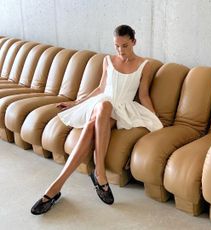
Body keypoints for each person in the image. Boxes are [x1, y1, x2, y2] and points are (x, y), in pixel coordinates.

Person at [31, 25, 163, 215]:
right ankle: (98, 173)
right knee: (103, 105)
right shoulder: (108, 60)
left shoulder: (145, 65)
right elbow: (101, 89)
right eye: (117, 46)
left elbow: (143, 95)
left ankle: (55, 189)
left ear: (134, 42)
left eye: (125, 45)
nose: (120, 50)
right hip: (101, 104)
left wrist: (155, 119)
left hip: (121, 109)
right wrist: (76, 102)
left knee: (97, 119)